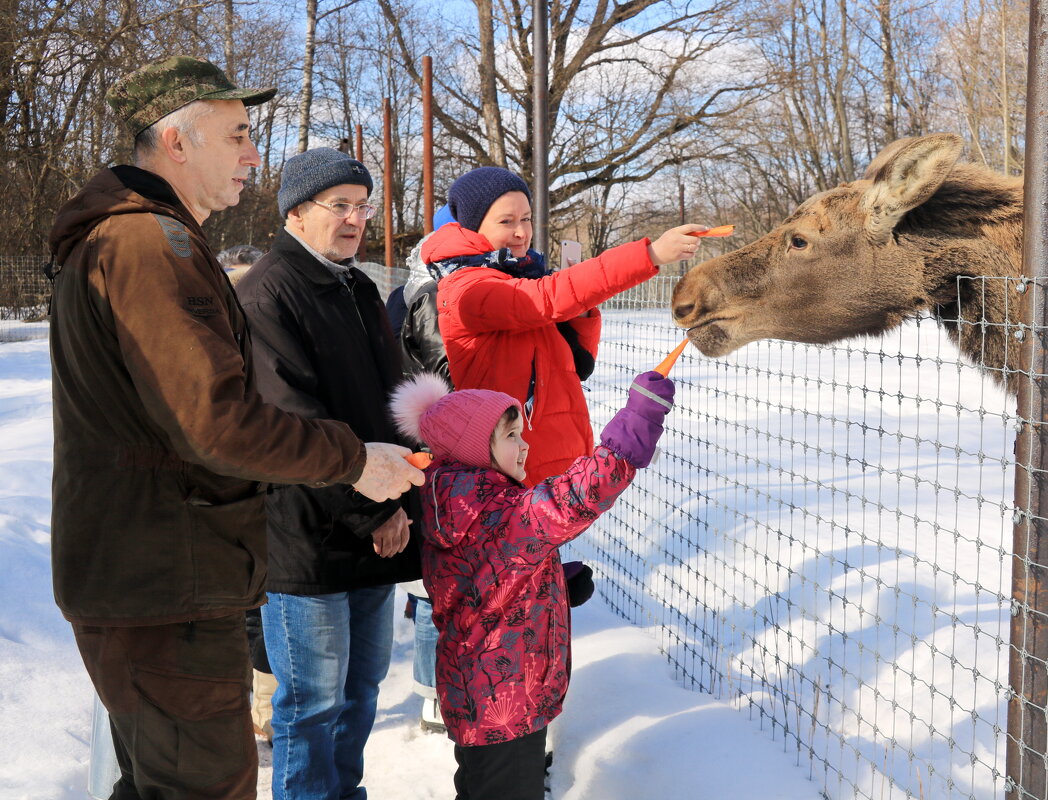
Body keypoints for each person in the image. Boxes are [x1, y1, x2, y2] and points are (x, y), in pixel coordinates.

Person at [46, 56, 423, 800]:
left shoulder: (147, 239)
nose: (255, 153)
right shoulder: (149, 245)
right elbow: (213, 421)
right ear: (178, 144)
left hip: (160, 573)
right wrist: (353, 462)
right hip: (167, 582)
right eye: (240, 134)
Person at [390, 366, 675, 799]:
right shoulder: (497, 511)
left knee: (479, 787)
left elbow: (483, 582)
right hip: (506, 704)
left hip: (481, 696)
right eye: (510, 437)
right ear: (472, 447)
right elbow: (575, 496)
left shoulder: (451, 499)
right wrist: (637, 425)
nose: (524, 445)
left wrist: (549, 581)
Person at [235, 146, 423, 799]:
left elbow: (387, 399)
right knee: (310, 709)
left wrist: (400, 503)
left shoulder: (356, 285)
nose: (355, 219)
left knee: (358, 696)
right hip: (306, 536)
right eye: (339, 206)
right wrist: (374, 509)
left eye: (362, 206)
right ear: (295, 212)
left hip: (376, 526)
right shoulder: (269, 293)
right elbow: (292, 417)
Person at [398, 166, 703, 485]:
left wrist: (580, 310)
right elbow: (545, 298)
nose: (521, 232)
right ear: (473, 228)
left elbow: (574, 364)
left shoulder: (522, 275)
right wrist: (650, 255)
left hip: (551, 468)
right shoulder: (467, 288)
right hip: (508, 481)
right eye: (506, 221)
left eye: (526, 218)